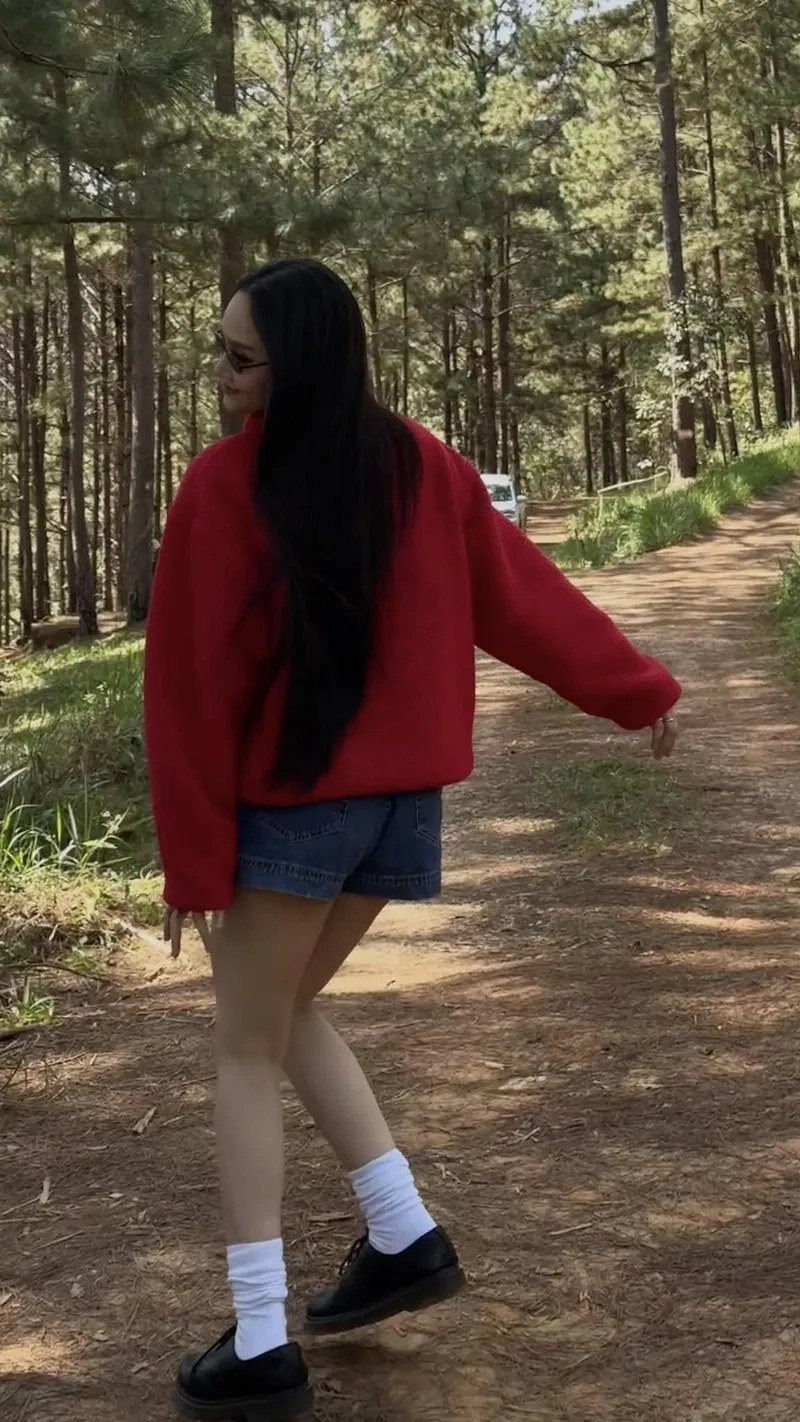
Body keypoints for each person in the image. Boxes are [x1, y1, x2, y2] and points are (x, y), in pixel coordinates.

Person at [144, 257, 680, 1422]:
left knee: (243, 1049)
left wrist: (190, 857)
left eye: (241, 359)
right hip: (398, 810)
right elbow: (520, 597)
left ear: (301, 367)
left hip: (294, 812)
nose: (220, 376)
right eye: (220, 352)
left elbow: (185, 686)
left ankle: (258, 1340)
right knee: (284, 1012)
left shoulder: (223, 487)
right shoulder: (422, 464)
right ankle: (400, 1233)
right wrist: (631, 688)